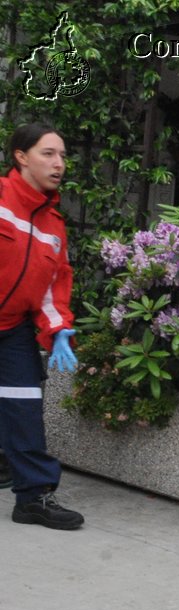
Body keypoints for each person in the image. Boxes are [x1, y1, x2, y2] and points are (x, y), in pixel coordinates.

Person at [0, 121, 82, 530]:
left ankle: (32, 498)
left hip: (11, 330)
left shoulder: (53, 227)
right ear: (21, 156)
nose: (59, 163)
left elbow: (52, 289)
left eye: (63, 155)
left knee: (24, 408)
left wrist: (59, 329)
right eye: (48, 153)